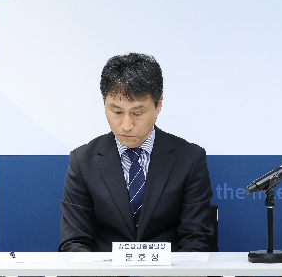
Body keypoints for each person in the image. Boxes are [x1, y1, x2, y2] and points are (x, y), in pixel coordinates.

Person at [59, 53, 214, 251]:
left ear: (159, 104)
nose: (126, 125)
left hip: (170, 268)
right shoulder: (82, 162)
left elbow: (196, 240)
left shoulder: (189, 159)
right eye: (117, 112)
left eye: (137, 113)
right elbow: (74, 241)